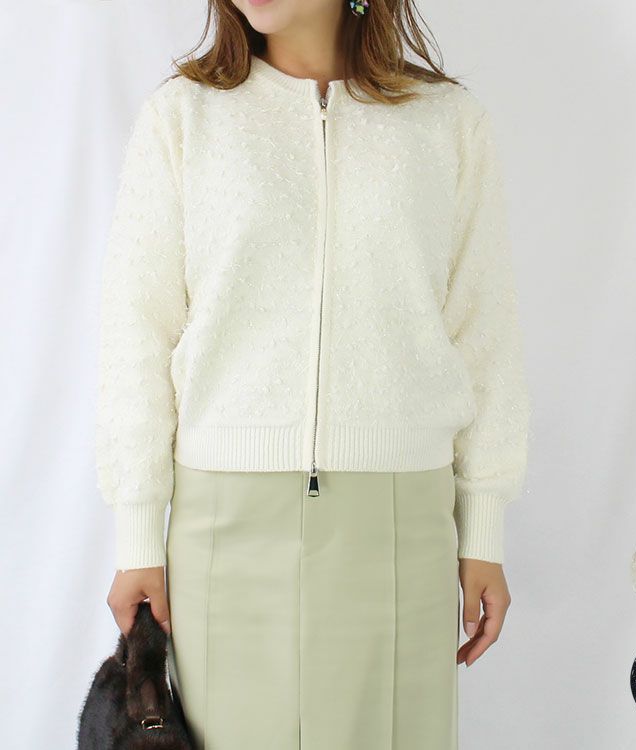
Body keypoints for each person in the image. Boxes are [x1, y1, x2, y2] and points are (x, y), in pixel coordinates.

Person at [96, 0, 531, 747]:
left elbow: (483, 333)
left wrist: (482, 525)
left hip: (400, 529)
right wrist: (138, 532)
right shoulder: (183, 118)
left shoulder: (447, 125)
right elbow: (137, 335)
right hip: (223, 532)